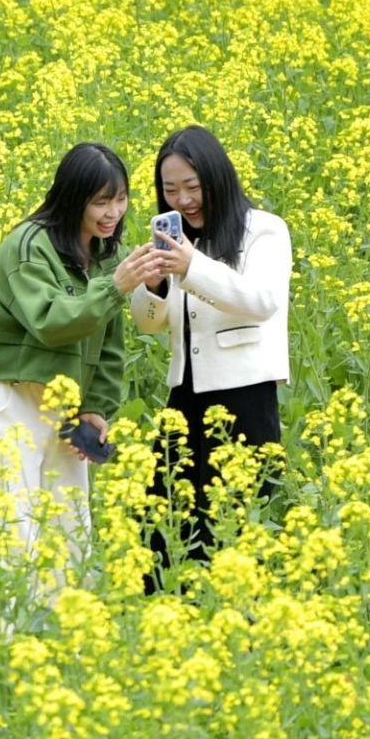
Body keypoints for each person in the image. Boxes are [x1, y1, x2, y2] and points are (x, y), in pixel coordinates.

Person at [0, 142, 164, 572]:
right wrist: (116, 287)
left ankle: (67, 640)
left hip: (64, 406)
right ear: (73, 197)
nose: (113, 213)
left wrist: (95, 406)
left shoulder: (104, 252)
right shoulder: (27, 246)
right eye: (101, 202)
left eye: (121, 199)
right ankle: (7, 639)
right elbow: (51, 322)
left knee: (70, 540)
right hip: (7, 400)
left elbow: (109, 343)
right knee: (11, 540)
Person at [131, 124, 292, 564]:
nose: (182, 200)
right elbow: (150, 324)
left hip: (245, 397)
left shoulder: (263, 230)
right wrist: (154, 287)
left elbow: (262, 302)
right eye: (170, 190)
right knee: (164, 524)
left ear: (217, 179)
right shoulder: (181, 241)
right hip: (184, 395)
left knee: (235, 528)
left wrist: (191, 265)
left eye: (192, 187)